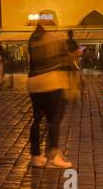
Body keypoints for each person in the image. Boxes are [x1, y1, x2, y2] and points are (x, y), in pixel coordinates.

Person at [27, 21, 74, 167]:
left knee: (37, 119)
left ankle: (35, 156)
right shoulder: (55, 38)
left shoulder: (32, 41)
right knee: (54, 120)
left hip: (33, 83)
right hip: (52, 82)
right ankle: (53, 157)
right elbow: (66, 60)